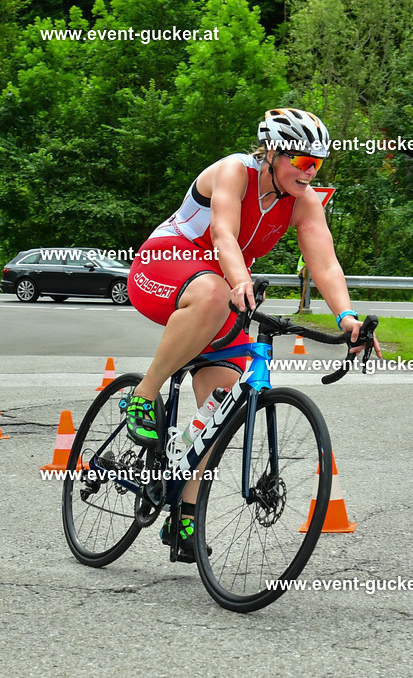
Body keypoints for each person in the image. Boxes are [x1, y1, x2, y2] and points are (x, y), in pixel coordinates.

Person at [125, 107, 381, 562]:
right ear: (272, 154)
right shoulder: (233, 171)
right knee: (213, 292)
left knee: (218, 408)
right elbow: (223, 232)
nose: (310, 173)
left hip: (225, 287)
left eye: (317, 165)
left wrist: (348, 319)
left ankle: (183, 513)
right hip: (165, 266)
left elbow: (324, 263)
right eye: (302, 162)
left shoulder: (303, 203)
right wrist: (240, 281)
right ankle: (143, 394)